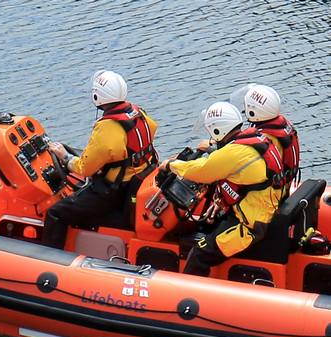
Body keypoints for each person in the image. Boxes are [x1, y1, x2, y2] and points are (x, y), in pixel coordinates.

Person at [163, 101, 283, 276]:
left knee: (199, 253)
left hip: (250, 225)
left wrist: (171, 165)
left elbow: (201, 170)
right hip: (258, 209)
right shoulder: (255, 139)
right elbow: (225, 161)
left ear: (218, 130)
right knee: (207, 225)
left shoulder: (234, 153)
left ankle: (190, 299)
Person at [42, 70, 159, 249]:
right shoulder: (139, 113)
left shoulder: (107, 127)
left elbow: (85, 168)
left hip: (113, 192)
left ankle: (50, 259)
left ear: (97, 96)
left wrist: (64, 157)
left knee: (56, 213)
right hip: (135, 183)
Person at [240, 84, 301, 199]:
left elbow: (242, 162)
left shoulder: (265, 138)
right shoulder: (281, 126)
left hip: (270, 195)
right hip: (284, 185)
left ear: (254, 111)